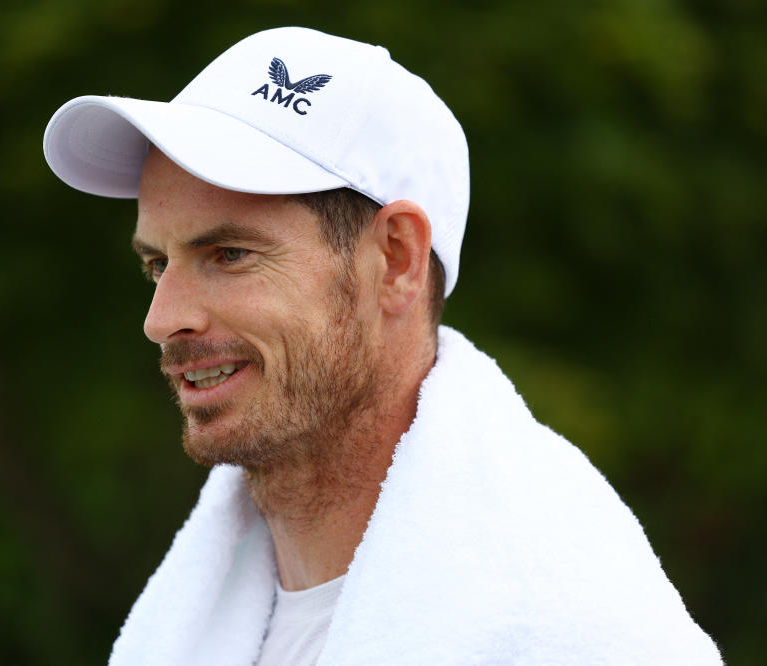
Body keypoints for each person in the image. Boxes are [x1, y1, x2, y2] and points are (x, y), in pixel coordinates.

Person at [43, 26, 722, 666]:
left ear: (396, 259)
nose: (162, 319)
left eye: (229, 253)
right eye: (157, 264)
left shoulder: (571, 630)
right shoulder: (196, 626)